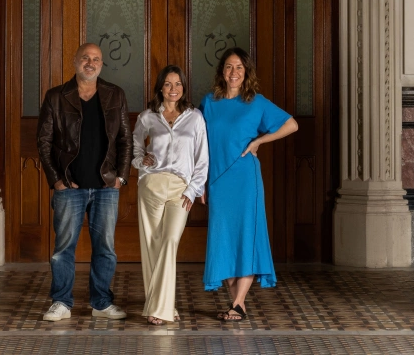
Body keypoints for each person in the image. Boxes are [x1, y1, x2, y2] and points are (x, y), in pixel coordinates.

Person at [199, 47, 298, 321]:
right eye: (229, 67)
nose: (234, 72)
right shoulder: (209, 102)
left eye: (239, 67)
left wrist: (259, 141)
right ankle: (236, 304)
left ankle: (239, 303)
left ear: (246, 73)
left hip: (245, 180)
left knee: (246, 237)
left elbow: (292, 125)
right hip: (217, 181)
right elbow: (198, 143)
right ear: (222, 71)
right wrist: (201, 183)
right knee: (225, 240)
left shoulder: (257, 102)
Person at [37, 43, 132, 322]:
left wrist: (121, 177)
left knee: (105, 247)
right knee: (63, 248)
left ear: (102, 64)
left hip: (106, 186)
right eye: (85, 58)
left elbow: (126, 139)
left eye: (96, 59)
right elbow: (43, 142)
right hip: (70, 186)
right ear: (75, 61)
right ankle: (61, 302)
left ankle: (101, 302)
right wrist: (56, 180)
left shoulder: (115, 94)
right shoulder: (56, 96)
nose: (90, 63)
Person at [132, 65, 209, 325]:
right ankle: (164, 307)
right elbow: (134, 145)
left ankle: (158, 307)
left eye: (178, 84)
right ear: (160, 87)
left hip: (180, 188)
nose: (173, 89)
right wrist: (142, 160)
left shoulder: (195, 117)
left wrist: (193, 189)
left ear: (184, 88)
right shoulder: (147, 117)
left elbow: (202, 159)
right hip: (151, 185)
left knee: (169, 242)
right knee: (152, 245)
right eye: (168, 84)